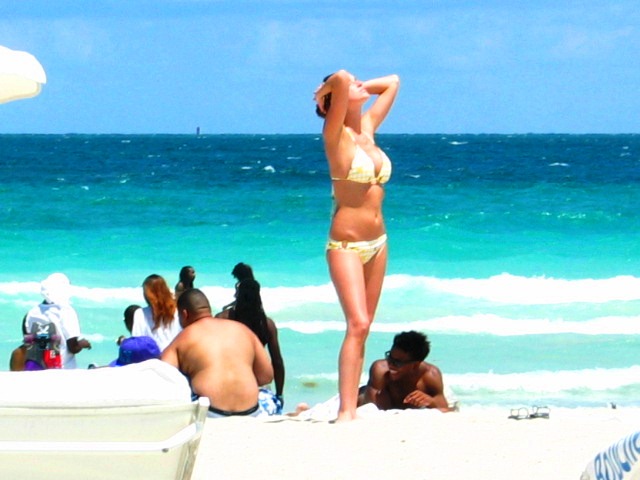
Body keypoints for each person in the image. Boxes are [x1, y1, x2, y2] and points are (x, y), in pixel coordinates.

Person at [314, 70, 400, 421]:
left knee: (366, 327)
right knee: (358, 324)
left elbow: (393, 82)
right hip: (346, 244)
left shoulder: (367, 128)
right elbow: (340, 77)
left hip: (378, 242)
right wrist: (326, 91)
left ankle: (350, 406)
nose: (360, 84)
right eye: (353, 86)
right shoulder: (335, 135)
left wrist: (354, 88)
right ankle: (346, 412)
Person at [161, 288, 274, 418]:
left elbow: (165, 377)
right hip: (252, 411)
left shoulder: (183, 338)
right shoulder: (243, 330)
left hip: (211, 412)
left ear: (185, 314)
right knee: (267, 395)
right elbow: (266, 376)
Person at [216, 275, 286, 413]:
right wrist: (279, 394)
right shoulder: (266, 324)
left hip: (227, 384)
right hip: (257, 386)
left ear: (238, 295)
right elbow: (277, 362)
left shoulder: (222, 319)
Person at [358, 331, 452, 412]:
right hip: (367, 398)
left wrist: (430, 401)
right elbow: (371, 407)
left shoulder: (430, 375)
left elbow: (444, 408)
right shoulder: (380, 370)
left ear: (415, 365)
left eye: (397, 362)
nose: (390, 364)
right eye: (389, 357)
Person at [23, 273, 91, 369]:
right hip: (61, 368)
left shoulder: (32, 312)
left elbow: (29, 341)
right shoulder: (66, 311)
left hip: (35, 366)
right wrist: (82, 344)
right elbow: (73, 347)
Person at [131, 274, 181, 351]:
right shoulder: (178, 311)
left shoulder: (140, 314)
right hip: (175, 357)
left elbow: (137, 343)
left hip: (151, 360)